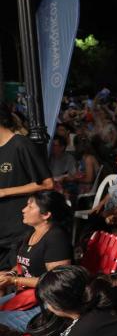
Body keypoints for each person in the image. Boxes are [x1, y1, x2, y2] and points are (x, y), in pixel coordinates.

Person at [0, 192, 73, 331]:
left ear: (46, 215)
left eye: (30, 206)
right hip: (29, 295)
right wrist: (9, 274)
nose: (23, 210)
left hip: (48, 305)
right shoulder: (32, 233)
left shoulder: (56, 238)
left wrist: (14, 281)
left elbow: (56, 281)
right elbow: (23, 265)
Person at [0, 103, 54, 270]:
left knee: (14, 277)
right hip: (2, 229)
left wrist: (5, 192)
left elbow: (47, 183)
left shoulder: (20, 144)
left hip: (17, 230)